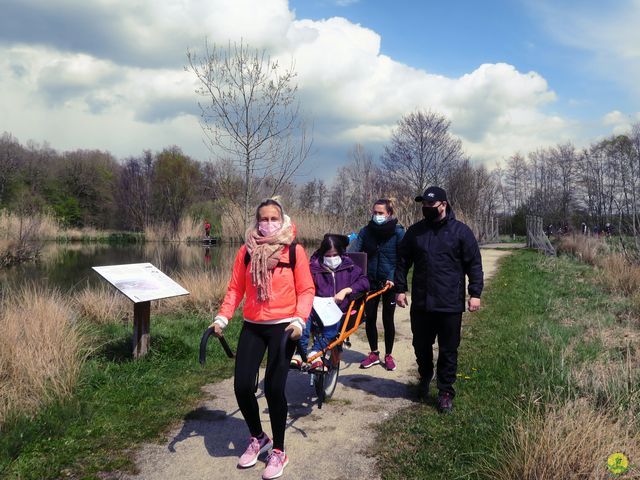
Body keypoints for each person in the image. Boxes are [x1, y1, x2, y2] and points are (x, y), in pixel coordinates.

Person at [211, 198, 315, 479]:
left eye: (273, 219)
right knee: (242, 386)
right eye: (263, 219)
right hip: (253, 325)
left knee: (273, 387)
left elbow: (306, 290)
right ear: (256, 222)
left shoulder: (294, 251)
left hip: (284, 327)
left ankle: (279, 451)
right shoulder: (246, 251)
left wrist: (299, 319)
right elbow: (235, 289)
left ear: (283, 221)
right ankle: (259, 437)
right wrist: (223, 317)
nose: (268, 224)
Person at [394, 186, 483, 414]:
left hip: (449, 303)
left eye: (430, 205)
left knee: (448, 349)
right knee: (420, 345)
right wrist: (400, 289)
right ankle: (425, 375)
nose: (426, 209)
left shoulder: (461, 232)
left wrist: (475, 293)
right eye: (423, 205)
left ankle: (445, 392)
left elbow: (473, 263)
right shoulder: (415, 232)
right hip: (422, 303)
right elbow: (403, 261)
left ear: (443, 205)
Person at [292, 234, 369, 369]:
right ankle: (300, 351)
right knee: (305, 313)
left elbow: (364, 282)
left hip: (339, 309)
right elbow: (304, 286)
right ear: (322, 254)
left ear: (340, 253)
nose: (332, 258)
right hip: (317, 307)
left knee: (332, 318)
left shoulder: (350, 267)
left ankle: (317, 351)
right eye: (328, 255)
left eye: (335, 255)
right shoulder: (313, 268)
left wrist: (347, 290)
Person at [349, 198, 405, 371]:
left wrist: (394, 279)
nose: (377, 216)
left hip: (389, 283)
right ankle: (374, 353)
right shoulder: (366, 231)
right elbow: (355, 253)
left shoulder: (398, 232)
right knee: (370, 318)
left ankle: (389, 355)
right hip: (370, 282)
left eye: (380, 213)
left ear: (389, 214)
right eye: (375, 212)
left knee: (388, 319)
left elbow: (402, 259)